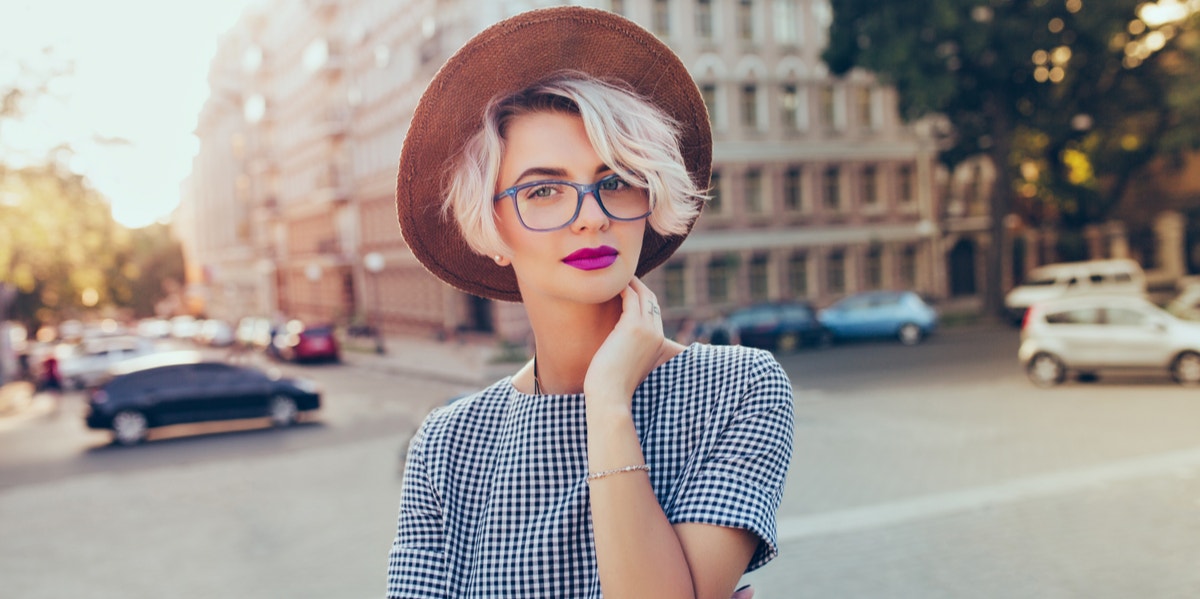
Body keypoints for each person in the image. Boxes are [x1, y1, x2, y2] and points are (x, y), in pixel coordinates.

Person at [389, 7, 794, 598]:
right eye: (544, 190)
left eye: (615, 181)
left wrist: (608, 402)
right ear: (492, 223)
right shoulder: (449, 445)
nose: (592, 217)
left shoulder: (737, 391)